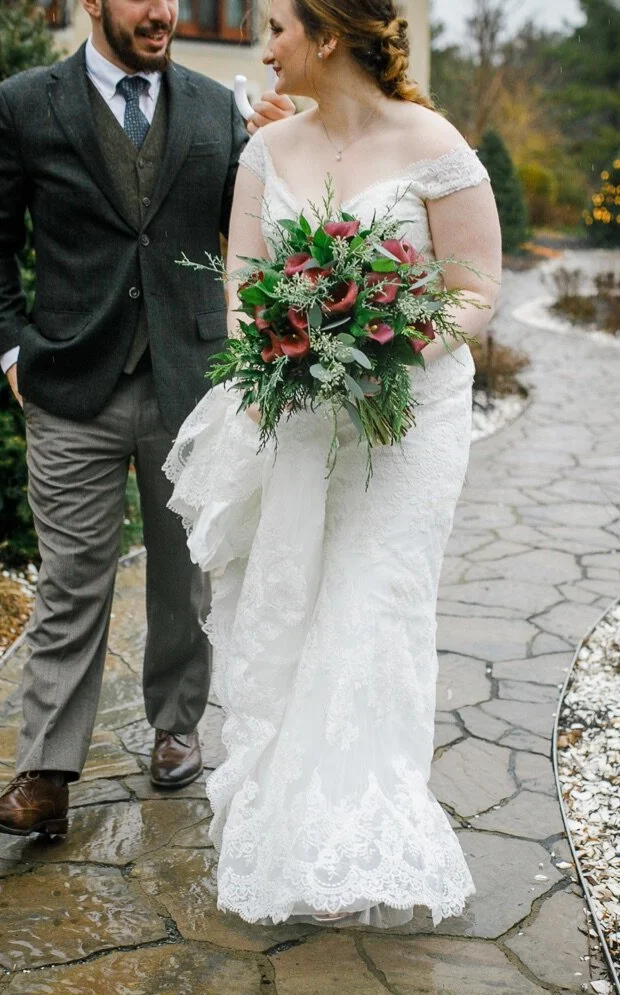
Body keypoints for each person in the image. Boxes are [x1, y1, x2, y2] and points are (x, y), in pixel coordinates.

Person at [162, 0, 503, 926]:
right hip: (300, 418)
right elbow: (240, 272)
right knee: (297, 602)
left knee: (371, 603)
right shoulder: (265, 154)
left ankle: (364, 823)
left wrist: (390, 350)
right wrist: (273, 351)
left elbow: (475, 289)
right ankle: (292, 827)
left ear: (328, 35)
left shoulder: (432, 142)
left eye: (275, 26)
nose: (262, 46)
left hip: (406, 423)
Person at [0, 0, 293, 839]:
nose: (162, 11)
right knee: (72, 576)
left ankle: (176, 723)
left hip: (190, 378)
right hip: (71, 384)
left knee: (184, 573)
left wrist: (282, 154)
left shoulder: (219, 107)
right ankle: (45, 773)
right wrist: (11, 352)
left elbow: (253, 231)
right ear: (91, 3)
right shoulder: (25, 104)